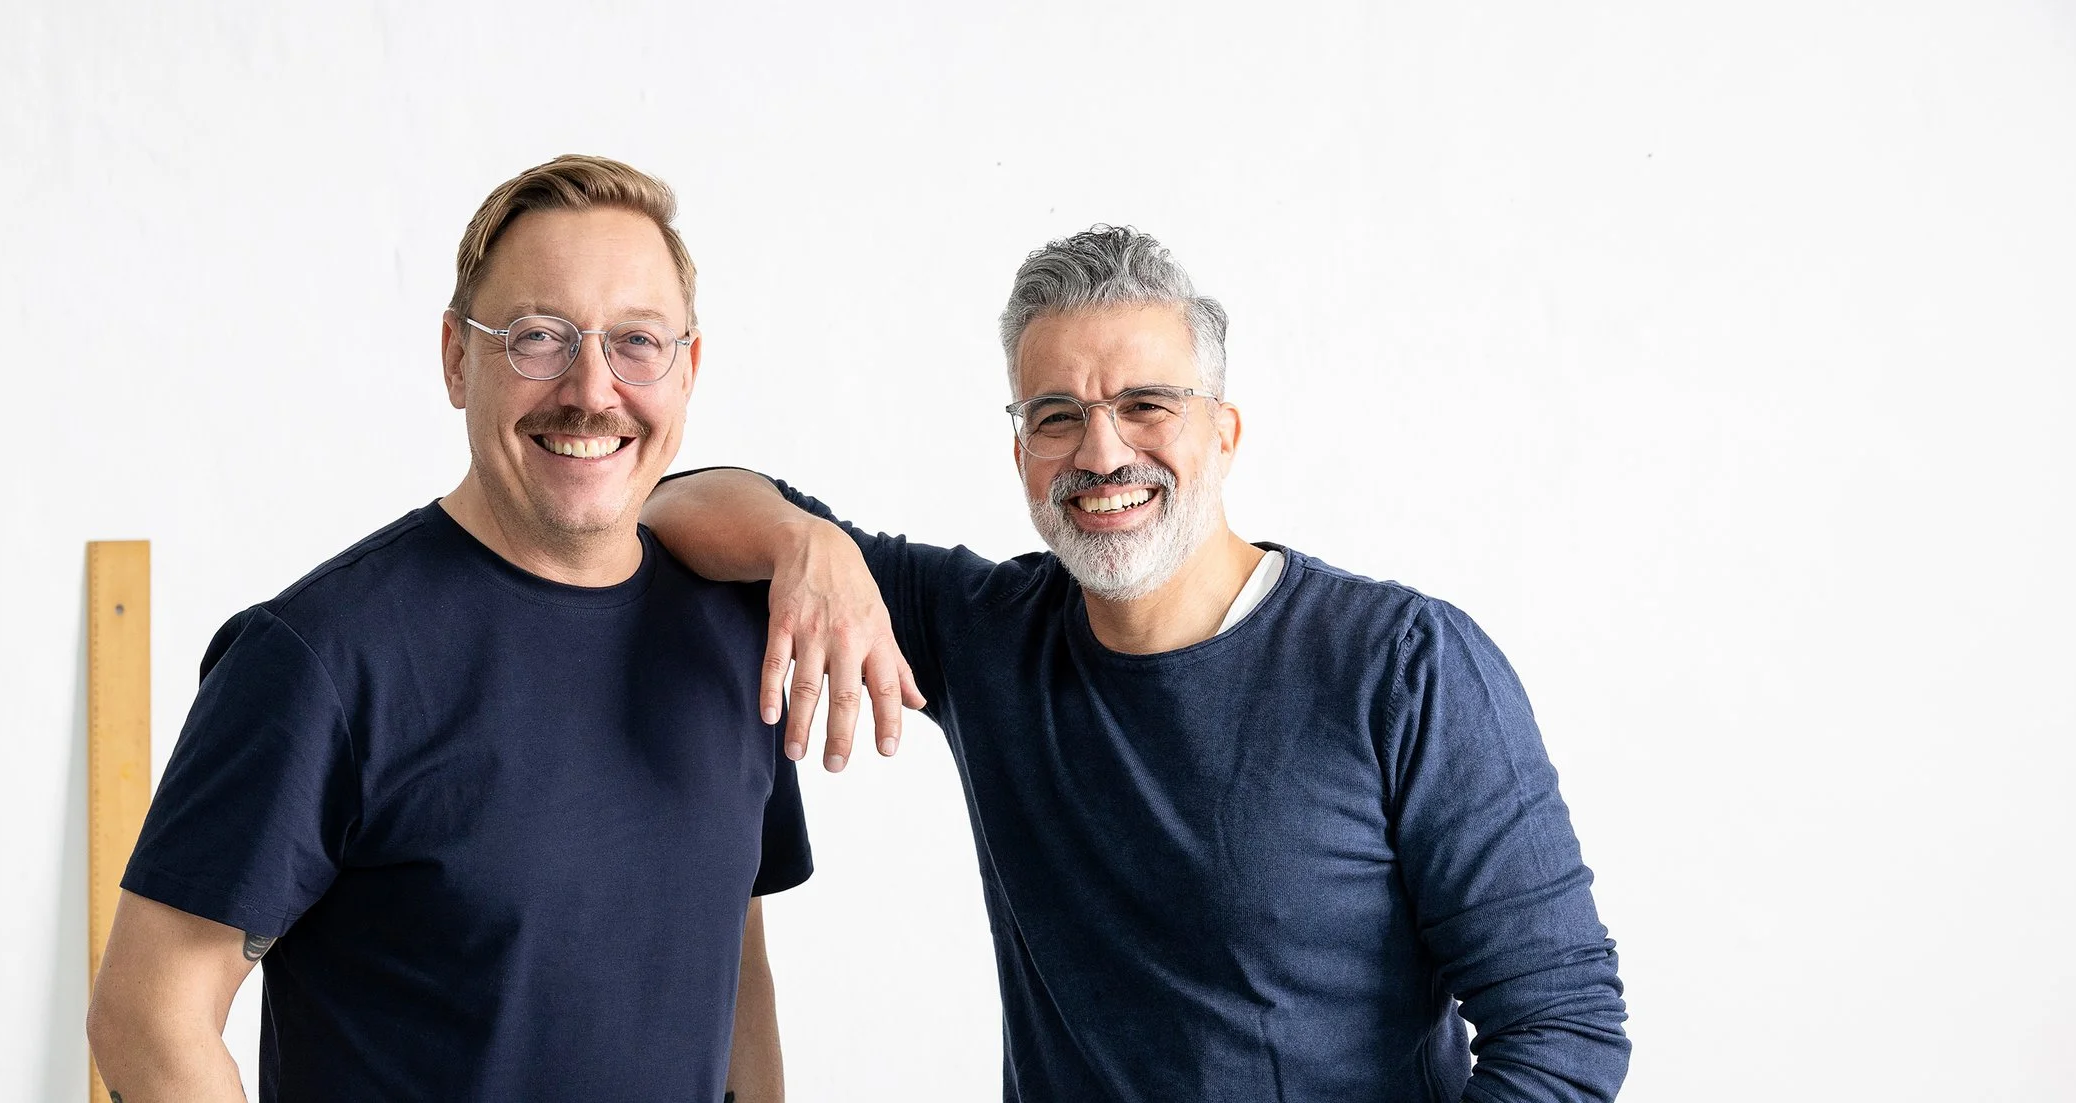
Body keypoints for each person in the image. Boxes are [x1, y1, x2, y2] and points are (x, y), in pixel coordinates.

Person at [643, 225, 1629, 1101]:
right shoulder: (988, 630)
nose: (1102, 452)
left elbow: (1562, 1029)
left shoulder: (1403, 664)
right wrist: (803, 544)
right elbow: (673, 498)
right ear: (1020, 449)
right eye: (1056, 415)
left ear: (1224, 432)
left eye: (1146, 404)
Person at [87, 155, 811, 1102]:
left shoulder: (731, 628)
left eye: (636, 341)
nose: (592, 389)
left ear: (689, 367)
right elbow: (148, 1012)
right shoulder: (322, 661)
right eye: (537, 337)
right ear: (456, 358)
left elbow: (737, 971)